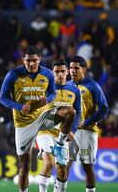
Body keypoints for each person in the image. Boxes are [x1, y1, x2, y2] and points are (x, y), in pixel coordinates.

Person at [0, 45, 76, 192]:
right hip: (24, 123)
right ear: (23, 60)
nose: (32, 64)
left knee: (69, 112)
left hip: (42, 116)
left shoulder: (47, 74)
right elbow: (2, 97)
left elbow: (53, 93)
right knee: (25, 163)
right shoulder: (13, 75)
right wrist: (18, 106)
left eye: (35, 60)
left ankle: (60, 144)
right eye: (28, 61)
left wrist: (47, 99)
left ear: (39, 59)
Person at [36, 59, 81, 192]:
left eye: (62, 71)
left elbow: (78, 111)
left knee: (62, 170)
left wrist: (72, 130)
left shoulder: (74, 90)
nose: (60, 74)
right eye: (57, 72)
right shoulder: (46, 89)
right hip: (45, 131)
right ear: (52, 73)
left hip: (62, 134)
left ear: (67, 72)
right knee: (49, 163)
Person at [68, 56, 109, 192]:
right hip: (69, 132)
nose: (72, 71)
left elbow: (104, 108)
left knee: (87, 166)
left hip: (87, 131)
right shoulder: (67, 86)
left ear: (84, 70)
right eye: (71, 68)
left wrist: (88, 122)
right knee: (63, 164)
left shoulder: (92, 86)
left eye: (76, 68)